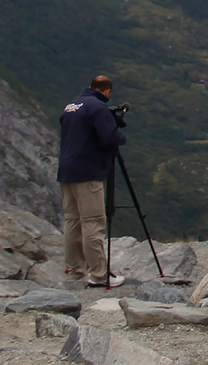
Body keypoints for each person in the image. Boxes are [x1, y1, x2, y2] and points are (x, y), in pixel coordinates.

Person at [58, 74, 128, 287]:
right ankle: (99, 274)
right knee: (92, 223)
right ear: (106, 92)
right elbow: (109, 138)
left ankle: (75, 271)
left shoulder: (71, 106)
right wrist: (119, 133)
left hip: (66, 171)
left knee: (72, 221)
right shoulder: (97, 108)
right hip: (87, 173)